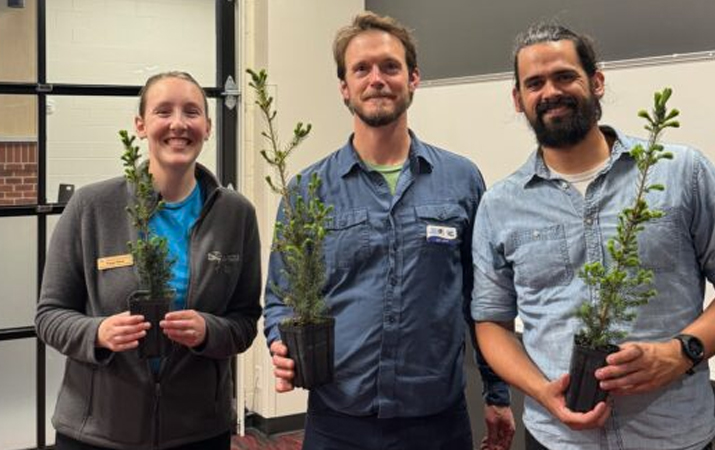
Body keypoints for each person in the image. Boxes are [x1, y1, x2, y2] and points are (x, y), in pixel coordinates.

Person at [471, 23, 715, 450]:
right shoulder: (499, 204)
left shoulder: (679, 172)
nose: (550, 91)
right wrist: (541, 392)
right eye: (534, 83)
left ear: (596, 82)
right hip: (556, 439)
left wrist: (680, 352)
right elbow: (491, 323)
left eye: (564, 76)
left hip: (673, 436)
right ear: (519, 100)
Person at [264, 12, 515, 450]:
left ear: (413, 78)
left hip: (437, 419)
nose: (376, 78)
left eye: (390, 66)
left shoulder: (461, 179)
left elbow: (484, 298)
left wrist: (497, 394)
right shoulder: (307, 190)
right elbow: (279, 298)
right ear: (345, 87)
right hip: (337, 419)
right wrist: (281, 345)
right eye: (361, 69)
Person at [35, 71, 262, 450]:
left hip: (199, 431)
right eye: (163, 111)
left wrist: (209, 331)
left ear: (208, 127)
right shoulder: (92, 208)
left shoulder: (236, 214)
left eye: (192, 112)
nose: (178, 123)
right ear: (140, 126)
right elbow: (49, 315)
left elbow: (244, 320)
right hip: (97, 432)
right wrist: (98, 333)